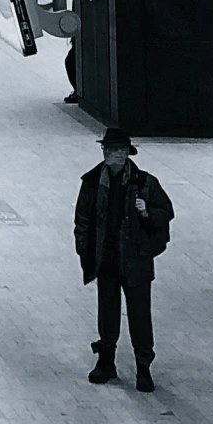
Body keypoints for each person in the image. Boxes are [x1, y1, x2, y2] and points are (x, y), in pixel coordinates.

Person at [74, 127, 175, 392]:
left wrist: (147, 213)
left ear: (127, 153)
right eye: (107, 149)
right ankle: (106, 362)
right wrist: (84, 250)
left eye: (117, 150)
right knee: (107, 314)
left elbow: (166, 212)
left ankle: (144, 368)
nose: (111, 154)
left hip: (135, 261)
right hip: (106, 261)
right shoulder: (93, 181)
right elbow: (82, 218)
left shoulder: (144, 182)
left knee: (140, 316)